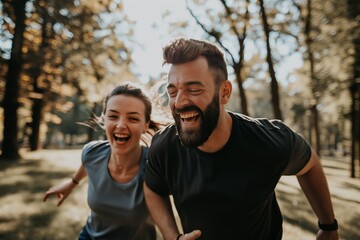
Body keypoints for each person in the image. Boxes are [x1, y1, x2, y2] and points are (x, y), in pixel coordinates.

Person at [144, 38, 339, 240]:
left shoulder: (268, 141)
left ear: (225, 93)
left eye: (194, 89)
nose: (179, 102)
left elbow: (310, 164)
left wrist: (328, 226)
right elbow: (153, 189)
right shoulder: (164, 146)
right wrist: (172, 235)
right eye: (173, 92)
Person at [44, 83, 161, 240]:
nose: (120, 125)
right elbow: (88, 162)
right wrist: (72, 183)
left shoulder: (154, 165)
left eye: (133, 118)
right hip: (90, 236)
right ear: (104, 120)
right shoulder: (92, 152)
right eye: (113, 116)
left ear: (145, 125)